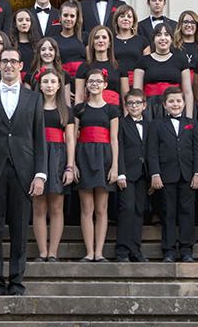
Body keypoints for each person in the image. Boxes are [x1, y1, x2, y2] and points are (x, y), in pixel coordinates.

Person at [0, 46, 48, 296]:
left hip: (24, 172)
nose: (9, 66)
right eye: (4, 61)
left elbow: (39, 140)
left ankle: (16, 281)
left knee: (18, 229)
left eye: (14, 61)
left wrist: (40, 174)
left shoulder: (34, 98)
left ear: (21, 66)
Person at [148, 88, 198, 262]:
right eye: (171, 101)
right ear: (165, 105)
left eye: (178, 101)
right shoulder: (157, 124)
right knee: (168, 213)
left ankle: (187, 250)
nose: (175, 104)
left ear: (184, 103)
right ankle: (169, 250)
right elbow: (152, 151)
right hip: (166, 175)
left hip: (188, 175)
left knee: (188, 213)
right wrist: (155, 173)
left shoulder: (192, 123)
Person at [73, 70, 119, 261]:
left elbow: (114, 139)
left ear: (105, 85)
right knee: (87, 207)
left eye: (98, 81)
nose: (94, 84)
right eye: (91, 81)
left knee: (101, 209)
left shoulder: (112, 109)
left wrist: (115, 166)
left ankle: (99, 252)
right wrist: (72, 164)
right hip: (83, 156)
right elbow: (73, 137)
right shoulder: (79, 109)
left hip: (104, 157)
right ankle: (89, 252)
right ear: (86, 85)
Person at [32, 68, 76, 262]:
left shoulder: (66, 110)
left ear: (59, 86)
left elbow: (70, 140)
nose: (49, 85)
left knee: (57, 207)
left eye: (53, 82)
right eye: (46, 82)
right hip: (38, 156)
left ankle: (53, 252)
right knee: (39, 207)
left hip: (58, 157)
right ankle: (42, 251)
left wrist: (70, 166)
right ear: (39, 85)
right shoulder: (32, 108)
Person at [114, 89, 150, 262]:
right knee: (127, 209)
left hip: (144, 174)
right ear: (126, 106)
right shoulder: (121, 123)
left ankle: (135, 251)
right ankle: (122, 251)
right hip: (127, 173)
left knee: (138, 211)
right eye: (130, 103)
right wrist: (120, 173)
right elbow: (118, 148)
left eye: (137, 103)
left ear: (144, 105)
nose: (134, 106)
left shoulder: (150, 124)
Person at [132, 23, 193, 116]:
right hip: (149, 109)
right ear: (153, 39)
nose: (163, 38)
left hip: (175, 106)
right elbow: (137, 92)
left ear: (172, 39)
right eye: (158, 35)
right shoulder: (143, 61)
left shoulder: (181, 60)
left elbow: (188, 92)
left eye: (167, 34)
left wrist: (189, 117)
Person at [76, 25, 124, 105]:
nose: (100, 40)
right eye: (97, 37)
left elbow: (124, 96)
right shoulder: (84, 67)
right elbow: (79, 97)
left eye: (104, 37)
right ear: (92, 42)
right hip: (91, 112)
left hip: (115, 113)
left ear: (109, 43)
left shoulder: (119, 66)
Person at [110, 5, 149, 83]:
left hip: (137, 81)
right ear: (116, 20)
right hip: (116, 80)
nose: (126, 19)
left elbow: (147, 64)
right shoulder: (110, 41)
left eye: (129, 16)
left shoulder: (142, 40)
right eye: (122, 16)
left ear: (133, 21)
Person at [52, 0, 86, 78]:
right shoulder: (53, 40)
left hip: (82, 79)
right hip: (61, 79)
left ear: (77, 18)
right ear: (60, 17)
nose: (68, 19)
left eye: (72, 16)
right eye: (65, 15)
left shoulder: (84, 37)